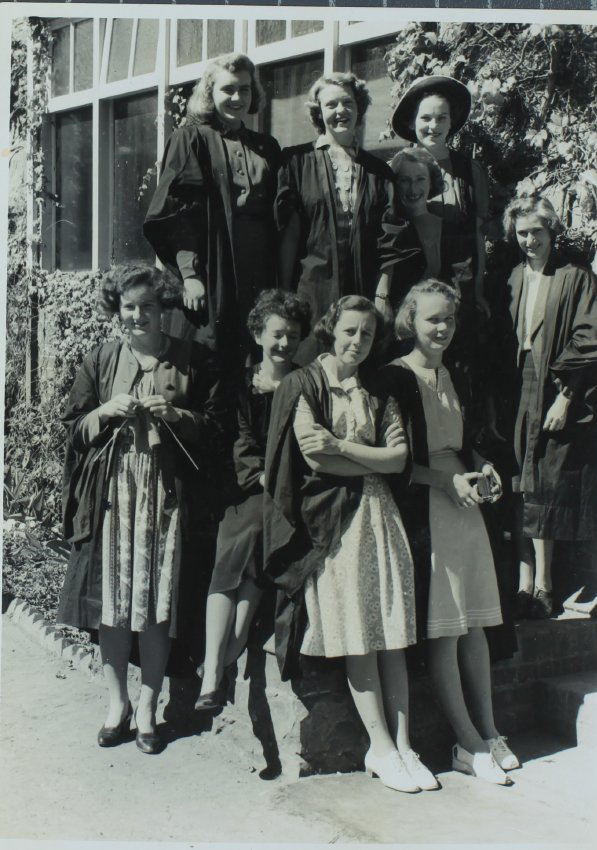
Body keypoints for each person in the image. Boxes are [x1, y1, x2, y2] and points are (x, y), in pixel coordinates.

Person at [263, 295, 438, 794]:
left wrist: (343, 446)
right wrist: (370, 457)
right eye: (349, 332)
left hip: (382, 519)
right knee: (361, 635)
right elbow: (314, 460)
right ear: (330, 330)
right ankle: (379, 746)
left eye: (366, 333)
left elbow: (400, 458)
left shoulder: (377, 389)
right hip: (334, 526)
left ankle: (405, 745)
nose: (357, 342)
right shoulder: (305, 384)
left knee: (393, 635)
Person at [57, 265, 226, 754]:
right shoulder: (101, 360)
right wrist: (103, 413)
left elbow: (216, 431)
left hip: (167, 498)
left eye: (148, 306)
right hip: (112, 497)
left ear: (164, 309)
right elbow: (71, 429)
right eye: (129, 306)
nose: (138, 316)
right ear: (117, 310)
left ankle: (149, 704)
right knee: (113, 606)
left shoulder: (191, 360)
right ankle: (118, 704)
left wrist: (179, 416)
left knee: (156, 606)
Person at [384, 280, 519, 785]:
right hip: (427, 509)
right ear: (411, 322)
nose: (441, 328)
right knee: (446, 627)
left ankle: (488, 729)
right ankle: (465, 741)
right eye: (431, 319)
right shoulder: (393, 379)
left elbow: (466, 442)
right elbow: (396, 466)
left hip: (465, 506)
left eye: (448, 320)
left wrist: (484, 466)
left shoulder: (455, 372)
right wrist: (446, 480)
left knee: (476, 624)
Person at [196, 290, 311, 710]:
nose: (285, 344)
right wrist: (266, 478)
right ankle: (214, 670)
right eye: (278, 334)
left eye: (293, 336)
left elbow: (307, 446)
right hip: (249, 492)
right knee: (236, 555)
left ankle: (220, 664)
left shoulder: (307, 382)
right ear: (259, 334)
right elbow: (241, 445)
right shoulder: (241, 385)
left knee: (251, 567)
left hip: (288, 496)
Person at [501, 193, 597, 619]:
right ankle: (523, 583)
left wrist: (566, 396)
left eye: (537, 233)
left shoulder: (575, 277)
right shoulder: (510, 277)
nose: (529, 241)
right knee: (519, 482)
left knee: (544, 481)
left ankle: (544, 584)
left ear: (552, 232)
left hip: (554, 385)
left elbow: (595, 338)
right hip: (516, 386)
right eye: (522, 233)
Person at [143, 52, 281, 366]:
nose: (237, 97)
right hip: (213, 268)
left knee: (256, 360)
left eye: (244, 89)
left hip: (258, 269)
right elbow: (177, 215)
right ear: (209, 94)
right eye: (227, 89)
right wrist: (190, 275)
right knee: (210, 363)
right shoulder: (190, 139)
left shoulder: (267, 147)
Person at [276, 72, 394, 363]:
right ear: (319, 112)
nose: (340, 111)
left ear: (359, 108)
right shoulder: (295, 163)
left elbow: (389, 239)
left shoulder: (379, 172)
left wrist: (382, 297)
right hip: (311, 293)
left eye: (347, 103)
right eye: (331, 105)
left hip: (364, 293)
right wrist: (285, 295)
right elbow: (287, 236)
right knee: (313, 372)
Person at [390, 76, 489, 317]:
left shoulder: (470, 170)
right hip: (411, 283)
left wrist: (477, 289)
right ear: (412, 122)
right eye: (425, 118)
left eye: (441, 118)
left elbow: (478, 233)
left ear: (450, 122)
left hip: (458, 283)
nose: (433, 126)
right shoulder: (395, 168)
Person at [377, 146, 473, 319]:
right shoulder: (386, 228)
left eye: (420, 179)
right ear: (394, 184)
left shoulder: (449, 228)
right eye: (405, 180)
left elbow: (461, 281)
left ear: (431, 181)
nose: (413, 189)